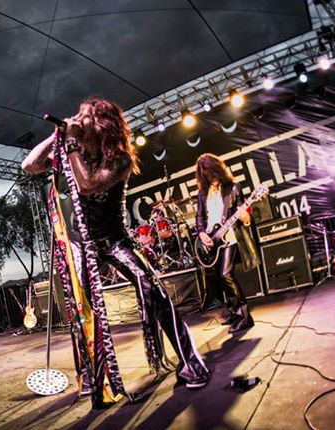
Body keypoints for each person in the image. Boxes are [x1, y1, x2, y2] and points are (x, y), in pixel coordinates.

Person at [22, 97, 210, 408]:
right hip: (81, 243)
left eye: (86, 117)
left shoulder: (119, 159)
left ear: (103, 126)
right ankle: (91, 376)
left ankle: (191, 363)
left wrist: (70, 142)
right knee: (82, 309)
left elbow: (88, 185)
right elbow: (29, 165)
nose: (79, 121)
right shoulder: (72, 150)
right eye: (78, 116)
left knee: (153, 289)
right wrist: (58, 134)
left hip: (114, 239)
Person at [195, 153, 260, 333]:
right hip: (212, 239)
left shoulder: (233, 187)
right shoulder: (203, 193)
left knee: (226, 274)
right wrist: (201, 233)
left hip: (229, 237)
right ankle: (233, 311)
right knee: (219, 278)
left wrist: (245, 217)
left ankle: (245, 317)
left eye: (211, 172)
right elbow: (199, 216)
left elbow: (244, 215)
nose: (209, 177)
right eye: (205, 174)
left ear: (217, 169)